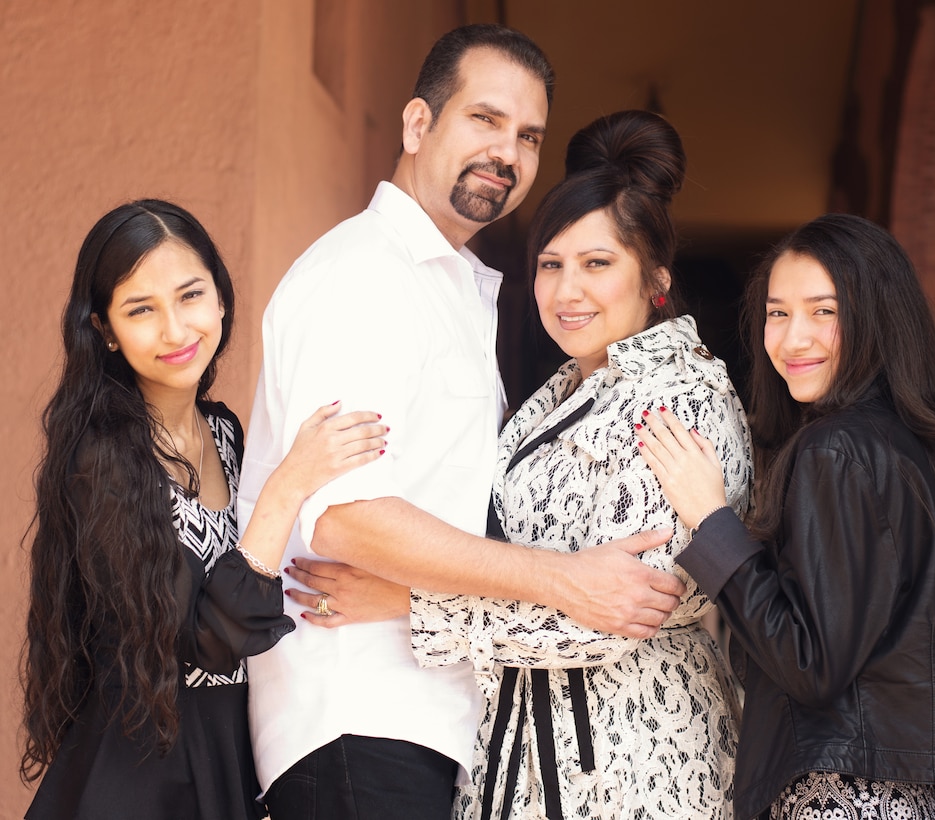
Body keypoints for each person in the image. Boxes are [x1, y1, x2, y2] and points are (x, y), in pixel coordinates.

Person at [238, 24, 683, 820]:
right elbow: (346, 516)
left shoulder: (456, 287)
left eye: (528, 135)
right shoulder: (362, 276)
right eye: (484, 119)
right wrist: (562, 579)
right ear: (417, 125)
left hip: (433, 723)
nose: (507, 152)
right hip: (357, 718)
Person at [398, 109, 752, 820]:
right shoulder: (560, 390)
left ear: (655, 278)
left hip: (636, 762)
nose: (567, 292)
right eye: (550, 266)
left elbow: (621, 612)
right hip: (520, 755)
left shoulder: (680, 398)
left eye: (597, 264)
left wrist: (409, 607)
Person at [21, 199, 387, 820]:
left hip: (230, 761)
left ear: (220, 298)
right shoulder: (100, 457)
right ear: (105, 329)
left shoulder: (224, 432)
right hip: (140, 780)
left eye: (190, 296)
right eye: (141, 310)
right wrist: (289, 482)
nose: (175, 330)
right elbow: (203, 642)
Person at [637, 213, 935, 820]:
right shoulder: (895, 442)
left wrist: (711, 520)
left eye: (823, 312)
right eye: (778, 313)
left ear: (874, 319)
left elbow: (810, 665)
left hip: (836, 800)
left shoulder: (834, 450)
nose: (792, 339)